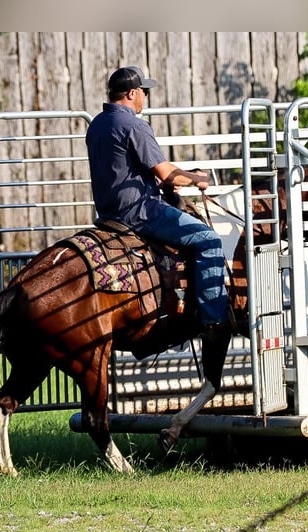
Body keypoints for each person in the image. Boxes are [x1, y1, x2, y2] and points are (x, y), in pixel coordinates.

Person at [85, 65, 232, 342]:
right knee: (209, 240)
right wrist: (197, 179)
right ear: (131, 93)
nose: (145, 97)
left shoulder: (97, 125)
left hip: (109, 212)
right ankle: (214, 321)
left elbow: (125, 169)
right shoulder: (134, 125)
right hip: (141, 212)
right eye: (144, 91)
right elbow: (165, 172)